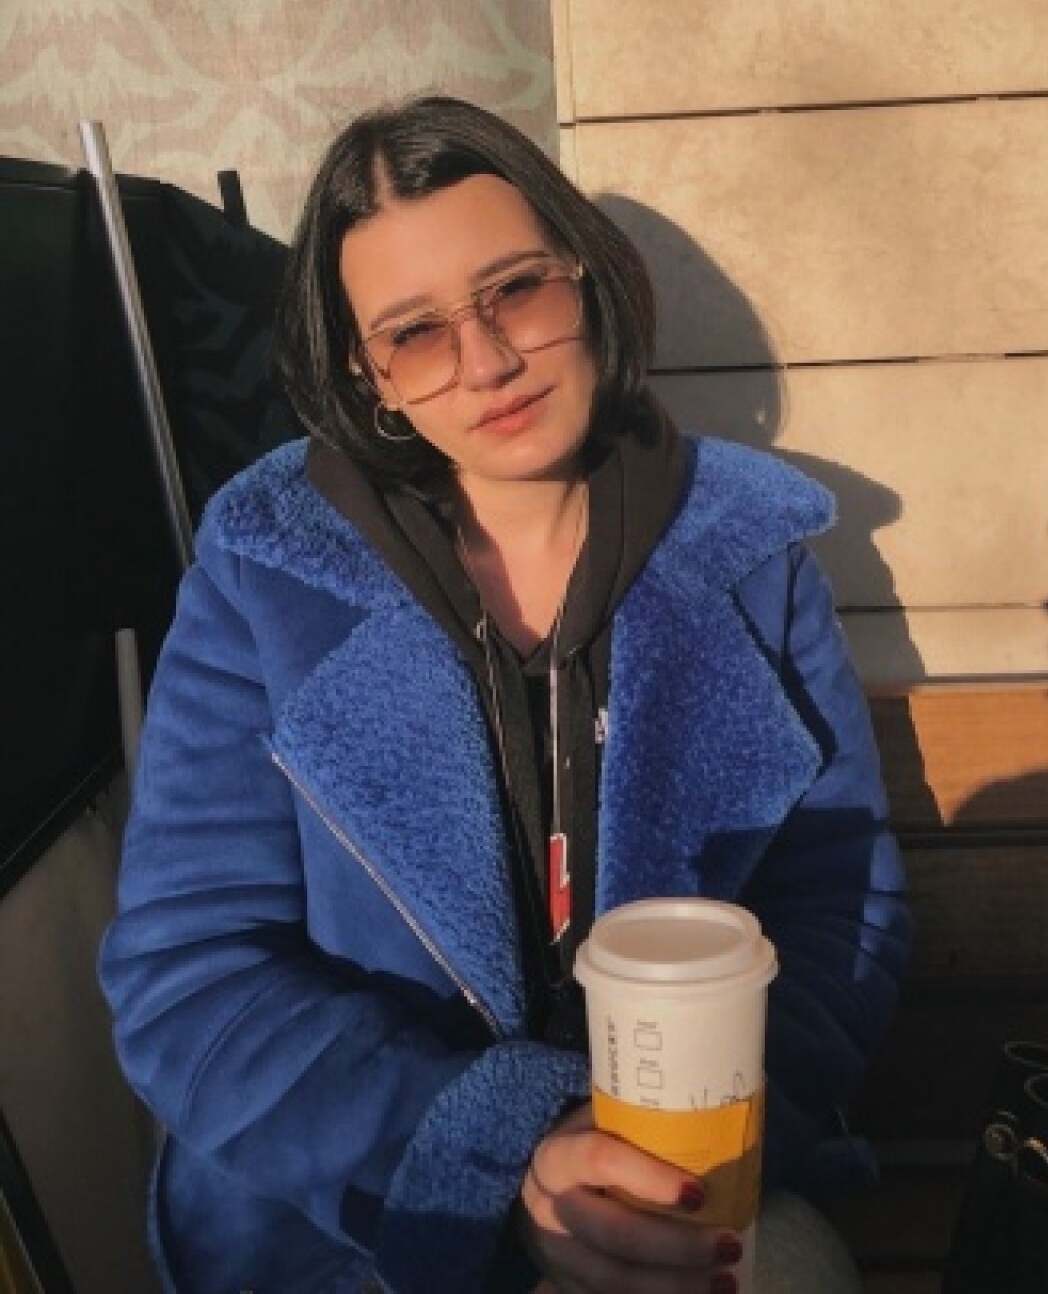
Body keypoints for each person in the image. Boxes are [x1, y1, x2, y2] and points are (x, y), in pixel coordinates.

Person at [99, 94, 912, 1294]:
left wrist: (678, 1150)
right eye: (414, 332)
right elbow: (190, 973)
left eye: (514, 290)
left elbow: (839, 903)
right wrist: (496, 1155)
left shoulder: (748, 558)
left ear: (585, 278)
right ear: (369, 376)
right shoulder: (267, 575)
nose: (484, 361)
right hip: (358, 1213)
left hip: (679, 1179)